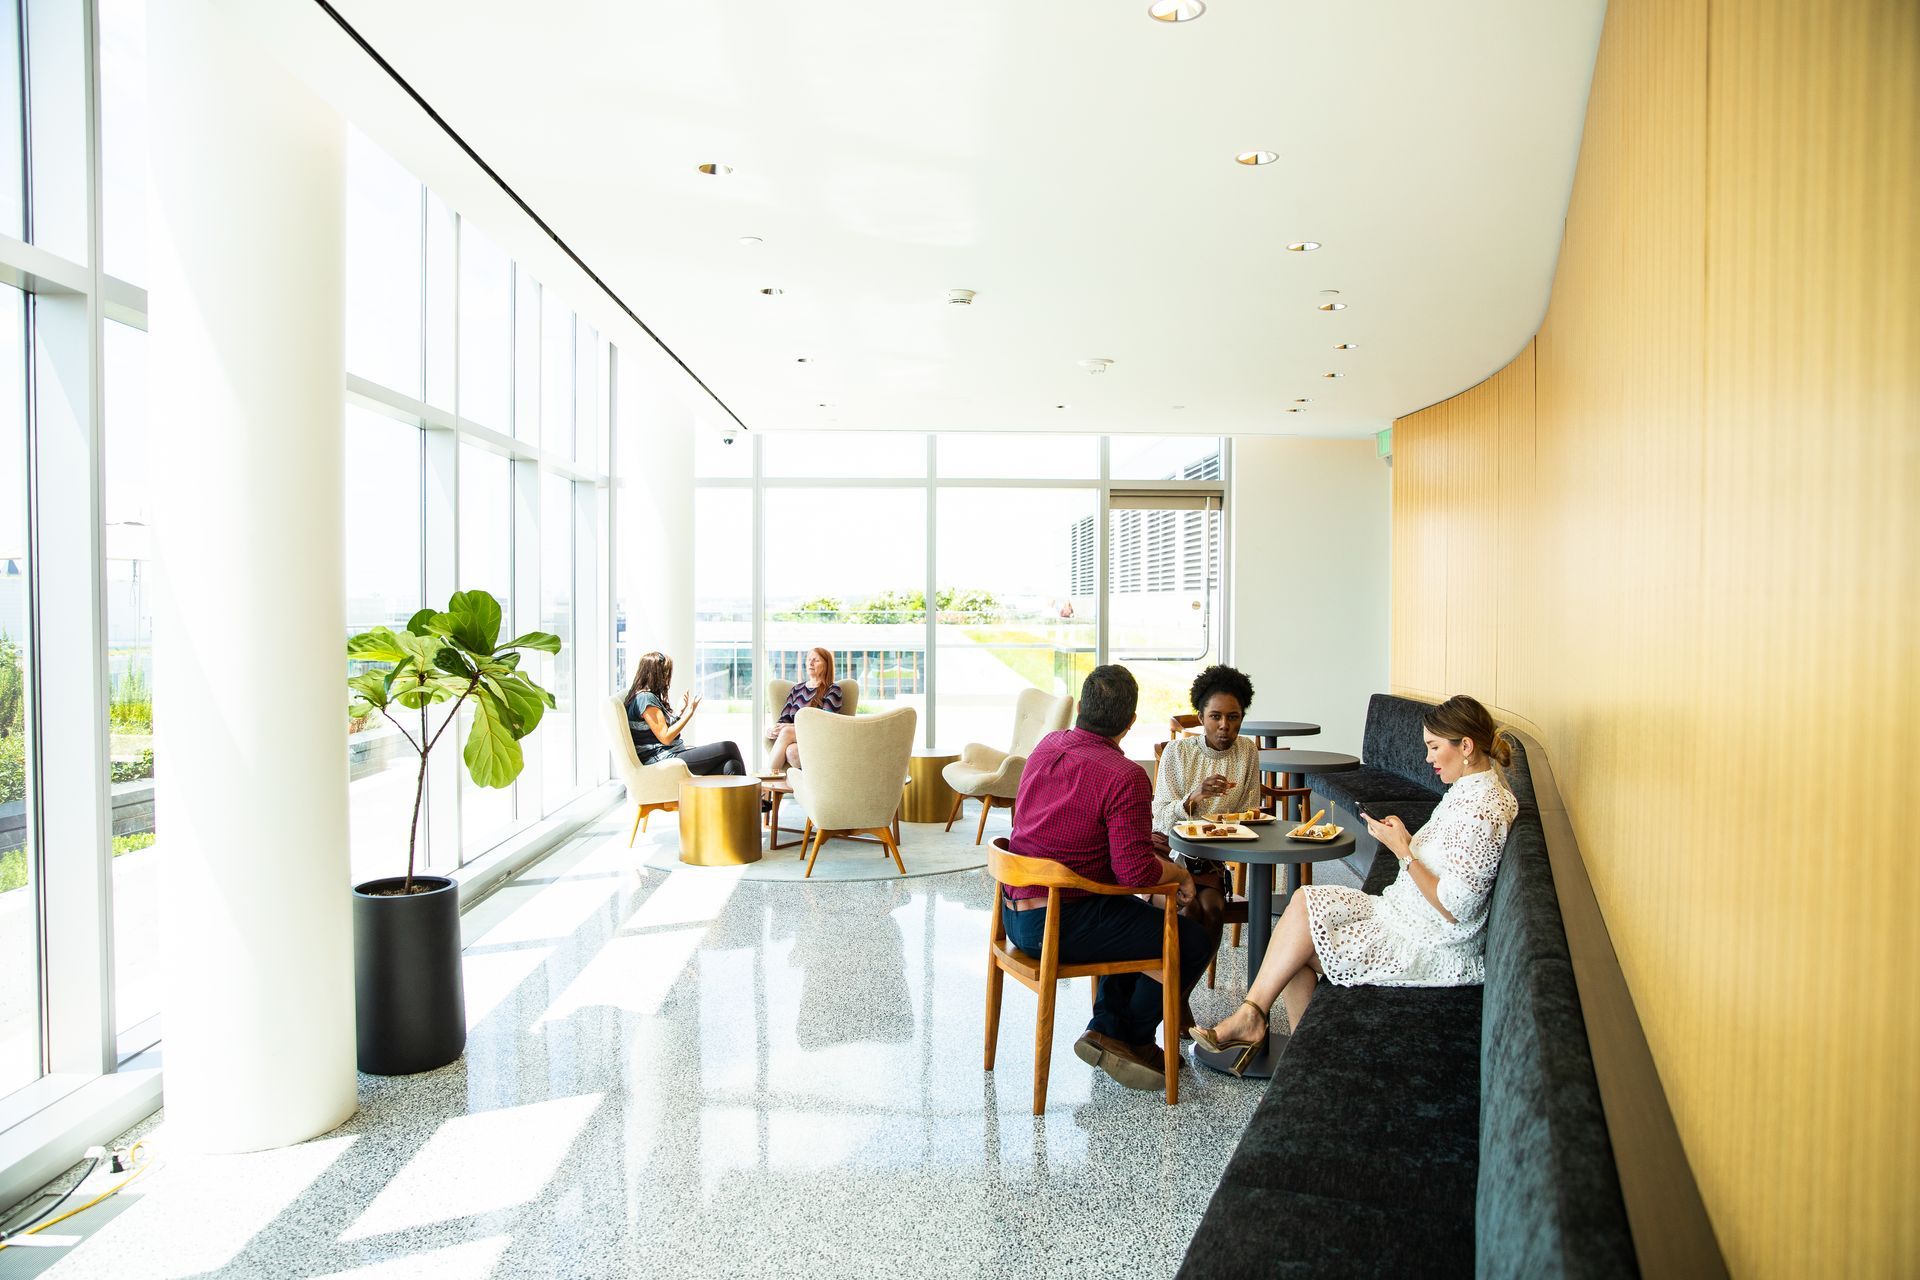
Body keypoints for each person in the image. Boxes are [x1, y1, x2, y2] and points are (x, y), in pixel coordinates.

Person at [1191, 694, 1518, 1074]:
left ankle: (1283, 1051)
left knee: (1294, 948)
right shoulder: (1466, 791)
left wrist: (1404, 852)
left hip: (1430, 943)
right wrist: (1405, 840)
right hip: (1404, 912)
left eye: (1433, 747)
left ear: (1465, 746)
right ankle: (1267, 1030)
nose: (1428, 758)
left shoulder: (1483, 810)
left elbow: (1456, 907)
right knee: (1303, 905)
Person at [1003, 664, 1212, 1092]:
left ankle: (1104, 1029)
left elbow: (1081, 836)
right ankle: (1130, 1038)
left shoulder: (1048, 746)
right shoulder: (1125, 776)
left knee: (1135, 922)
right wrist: (1177, 875)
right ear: (1131, 722)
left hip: (1015, 914)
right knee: (1191, 938)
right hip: (1058, 924)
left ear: (1081, 707)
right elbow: (1134, 872)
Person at [1149, 664, 1262, 1030]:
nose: (1225, 726)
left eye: (1234, 717)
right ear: (1201, 717)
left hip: (1208, 856)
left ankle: (1178, 997)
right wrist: (1194, 798)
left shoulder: (1247, 752)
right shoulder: (1176, 753)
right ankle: (1171, 1000)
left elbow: (1249, 810)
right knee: (1190, 907)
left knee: (1212, 908)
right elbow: (1162, 816)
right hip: (1167, 848)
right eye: (1215, 717)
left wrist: (1241, 820)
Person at [622, 651, 746, 776]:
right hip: (664, 759)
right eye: (665, 672)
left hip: (671, 754)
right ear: (655, 674)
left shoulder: (646, 697)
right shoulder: (645, 698)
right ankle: (754, 793)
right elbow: (665, 737)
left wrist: (680, 712)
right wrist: (689, 712)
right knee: (729, 747)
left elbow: (661, 732)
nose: (667, 677)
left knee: (732, 766)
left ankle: (746, 795)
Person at [765, 647, 844, 774]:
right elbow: (783, 720)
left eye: (816, 660)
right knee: (792, 751)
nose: (811, 663)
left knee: (786, 732)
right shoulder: (797, 689)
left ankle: (767, 780)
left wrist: (789, 727)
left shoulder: (833, 690)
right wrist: (773, 730)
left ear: (827, 665)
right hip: (796, 739)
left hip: (818, 737)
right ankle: (806, 785)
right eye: (809, 659)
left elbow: (827, 723)